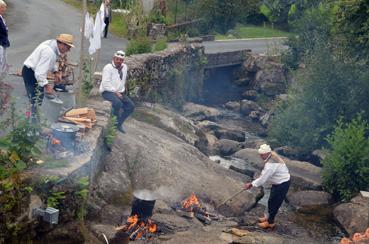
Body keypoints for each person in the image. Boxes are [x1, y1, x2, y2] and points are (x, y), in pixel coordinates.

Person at [22, 34, 74, 115]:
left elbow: (51, 62)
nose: (69, 50)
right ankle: (33, 122)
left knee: (38, 97)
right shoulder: (49, 51)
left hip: (34, 72)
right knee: (36, 99)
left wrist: (55, 72)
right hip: (31, 73)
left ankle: (35, 119)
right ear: (62, 45)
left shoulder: (52, 44)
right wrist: (47, 86)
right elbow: (39, 73)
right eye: (68, 47)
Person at [244, 144, 290, 229]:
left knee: (274, 204)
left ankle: (270, 223)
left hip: (282, 184)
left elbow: (263, 178)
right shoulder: (271, 156)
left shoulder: (271, 164)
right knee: (271, 201)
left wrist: (251, 184)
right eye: (260, 154)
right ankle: (268, 218)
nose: (260, 156)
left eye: (262, 154)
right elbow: (264, 174)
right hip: (277, 183)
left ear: (267, 153)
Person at [99, 50, 134, 133]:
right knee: (118, 103)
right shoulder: (108, 68)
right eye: (117, 59)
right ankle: (114, 124)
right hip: (107, 91)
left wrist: (121, 91)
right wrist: (115, 92)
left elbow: (122, 80)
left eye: (121, 60)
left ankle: (119, 123)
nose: (119, 61)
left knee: (131, 106)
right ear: (113, 58)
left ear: (123, 61)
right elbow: (105, 84)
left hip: (119, 92)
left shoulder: (124, 67)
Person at [0, 0, 9, 75]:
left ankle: (1, 80)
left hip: (3, 43)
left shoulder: (1, 17)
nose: (5, 10)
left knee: (3, 61)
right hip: (0, 43)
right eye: (3, 8)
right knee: (0, 61)